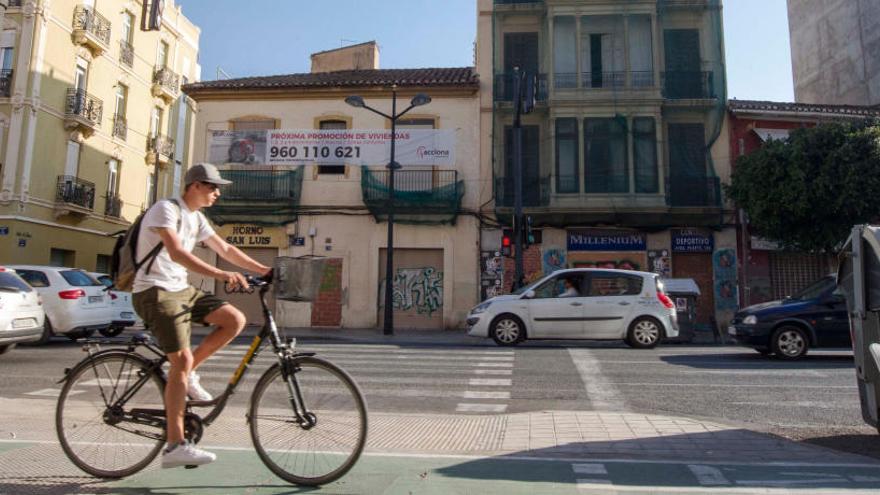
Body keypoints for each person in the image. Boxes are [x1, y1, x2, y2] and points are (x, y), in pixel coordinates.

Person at [131, 163, 271, 469]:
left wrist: (264, 270)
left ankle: (187, 373)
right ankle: (174, 445)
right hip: (154, 292)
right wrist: (221, 274)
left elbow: (225, 247)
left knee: (234, 319)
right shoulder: (165, 210)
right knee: (179, 360)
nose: (217, 193)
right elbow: (178, 253)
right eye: (212, 187)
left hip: (180, 288)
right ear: (195, 186)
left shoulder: (197, 218)